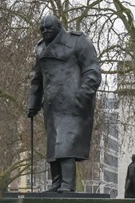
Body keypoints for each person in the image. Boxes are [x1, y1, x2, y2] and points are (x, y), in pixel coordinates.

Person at [26, 15, 101, 193]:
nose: (45, 31)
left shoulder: (78, 41)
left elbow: (92, 70)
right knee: (53, 146)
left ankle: (68, 185)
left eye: (48, 27)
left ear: (59, 26)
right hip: (52, 105)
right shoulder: (40, 49)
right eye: (42, 28)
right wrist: (33, 104)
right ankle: (57, 183)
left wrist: (82, 95)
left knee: (65, 143)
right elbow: (37, 79)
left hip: (73, 103)